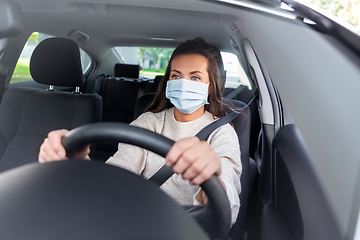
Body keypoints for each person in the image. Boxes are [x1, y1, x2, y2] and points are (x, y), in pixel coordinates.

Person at [38, 37, 242, 225]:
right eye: (176, 75)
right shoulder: (149, 121)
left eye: (195, 77)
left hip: (191, 229)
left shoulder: (222, 132)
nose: (183, 83)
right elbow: (117, 176)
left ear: (210, 85)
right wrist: (78, 164)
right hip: (139, 222)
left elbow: (228, 206)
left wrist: (213, 178)